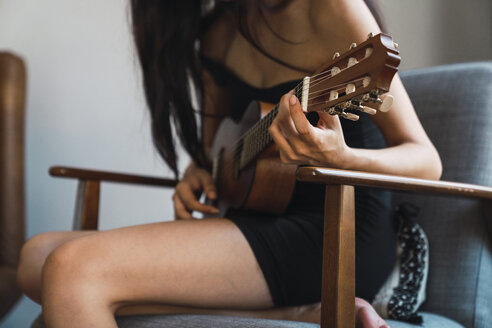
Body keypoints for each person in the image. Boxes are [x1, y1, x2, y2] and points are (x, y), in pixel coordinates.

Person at [16, 0, 442, 327]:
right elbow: (217, 154)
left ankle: (312, 302)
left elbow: (426, 160)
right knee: (36, 258)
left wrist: (342, 158)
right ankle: (295, 313)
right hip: (252, 218)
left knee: (73, 269)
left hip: (335, 231)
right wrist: (195, 173)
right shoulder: (217, 34)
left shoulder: (329, 8)